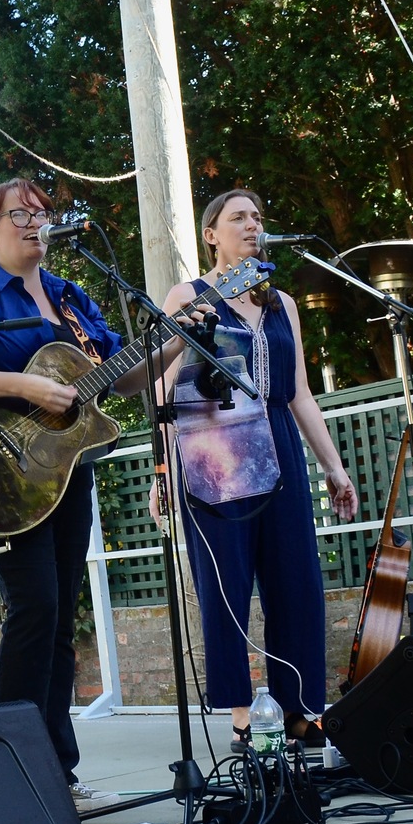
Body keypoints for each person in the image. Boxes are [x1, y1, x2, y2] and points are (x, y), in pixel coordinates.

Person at [0, 177, 203, 815]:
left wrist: (175, 337)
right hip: (0, 472)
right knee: (34, 610)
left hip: (65, 476)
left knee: (57, 625)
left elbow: (118, 379)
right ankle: (11, 771)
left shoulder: (71, 298)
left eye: (42, 212)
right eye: (17, 214)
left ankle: (58, 775)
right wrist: (25, 388)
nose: (33, 221)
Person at [148, 189, 359, 753]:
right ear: (211, 235)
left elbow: (300, 394)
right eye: (237, 217)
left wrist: (334, 469)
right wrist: (164, 468)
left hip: (280, 448)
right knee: (227, 586)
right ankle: (245, 721)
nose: (252, 224)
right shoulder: (188, 296)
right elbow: (166, 390)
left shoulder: (281, 304)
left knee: (296, 583)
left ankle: (300, 712)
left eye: (258, 217)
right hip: (212, 453)